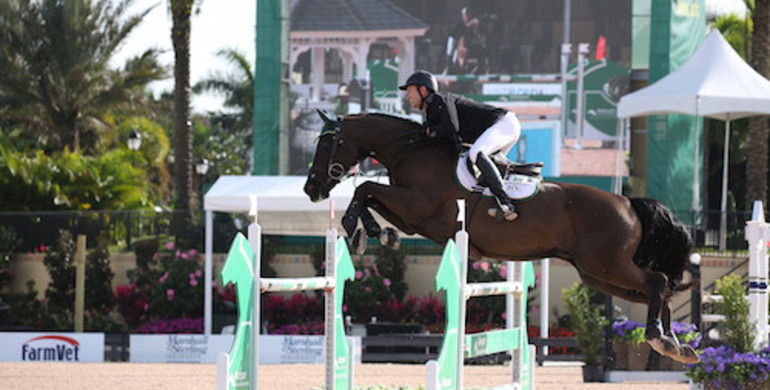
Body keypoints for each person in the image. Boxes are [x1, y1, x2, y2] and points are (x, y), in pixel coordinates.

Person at [399, 70, 521, 221]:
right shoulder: (431, 111)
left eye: (410, 91)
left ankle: (505, 202)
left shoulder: (438, 99)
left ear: (423, 90)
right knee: (483, 172)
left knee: (476, 154)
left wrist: (430, 132)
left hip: (504, 123)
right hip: (504, 126)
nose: (408, 96)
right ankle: (503, 202)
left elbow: (451, 127)